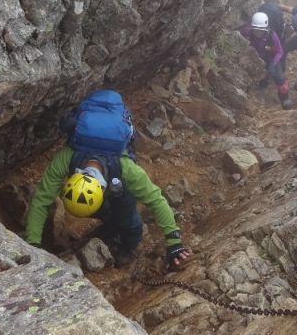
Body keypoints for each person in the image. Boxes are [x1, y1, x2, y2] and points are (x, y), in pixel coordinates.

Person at [25, 94, 191, 271]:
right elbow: (42, 199)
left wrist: (175, 243)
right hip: (104, 187)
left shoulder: (126, 169)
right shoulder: (66, 157)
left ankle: (129, 245)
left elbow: (156, 200)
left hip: (119, 183)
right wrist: (32, 244)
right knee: (102, 211)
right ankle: (111, 226)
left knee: (127, 216)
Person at [236, 9, 292, 109]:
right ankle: (263, 85)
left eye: (260, 30)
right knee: (261, 74)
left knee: (279, 77)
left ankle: (285, 99)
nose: (258, 32)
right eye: (256, 29)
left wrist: (274, 63)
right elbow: (238, 35)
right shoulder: (247, 31)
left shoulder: (272, 35)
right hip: (256, 57)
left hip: (271, 57)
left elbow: (280, 51)